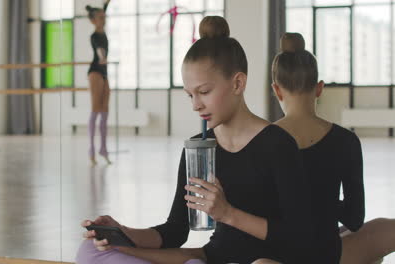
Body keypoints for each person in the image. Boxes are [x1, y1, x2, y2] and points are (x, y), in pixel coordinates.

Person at [76, 16, 314, 264]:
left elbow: (299, 236)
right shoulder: (197, 147)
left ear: (238, 83)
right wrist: (122, 232)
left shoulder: (277, 144)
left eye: (204, 92)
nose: (196, 105)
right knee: (91, 250)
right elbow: (175, 231)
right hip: (212, 258)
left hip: (267, 260)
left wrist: (228, 214)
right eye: (190, 95)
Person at [253, 32, 395, 264]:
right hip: (327, 252)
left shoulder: (260, 140)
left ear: (276, 90)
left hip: (278, 255)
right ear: (319, 88)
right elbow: (354, 218)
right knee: (381, 235)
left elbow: (256, 213)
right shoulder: (346, 140)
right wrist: (323, 203)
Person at [86, 0, 111, 166]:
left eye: (104, 17)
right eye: (100, 18)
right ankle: (91, 149)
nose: (103, 19)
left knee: (105, 111)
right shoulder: (95, 35)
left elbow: (103, 8)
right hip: (95, 71)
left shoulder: (103, 32)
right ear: (93, 20)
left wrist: (106, 3)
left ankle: (103, 148)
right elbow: (99, 48)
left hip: (104, 73)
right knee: (95, 109)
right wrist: (102, 57)